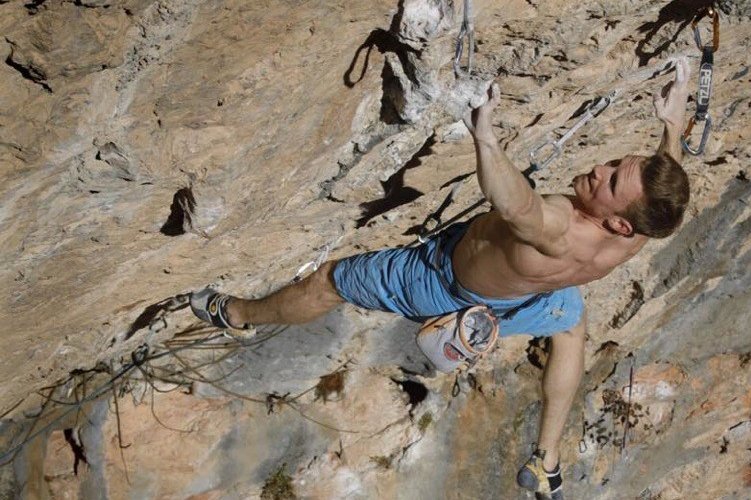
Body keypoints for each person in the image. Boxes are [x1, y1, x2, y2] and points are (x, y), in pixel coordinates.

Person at [191, 58, 692, 499]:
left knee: (329, 281)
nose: (599, 168)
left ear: (619, 222)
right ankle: (547, 458)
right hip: (529, 299)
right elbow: (665, 185)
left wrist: (485, 135)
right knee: (571, 325)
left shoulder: (560, 228)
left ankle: (235, 313)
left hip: (440, 282)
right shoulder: (638, 234)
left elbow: (516, 205)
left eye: (610, 180)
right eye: (613, 165)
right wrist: (673, 123)